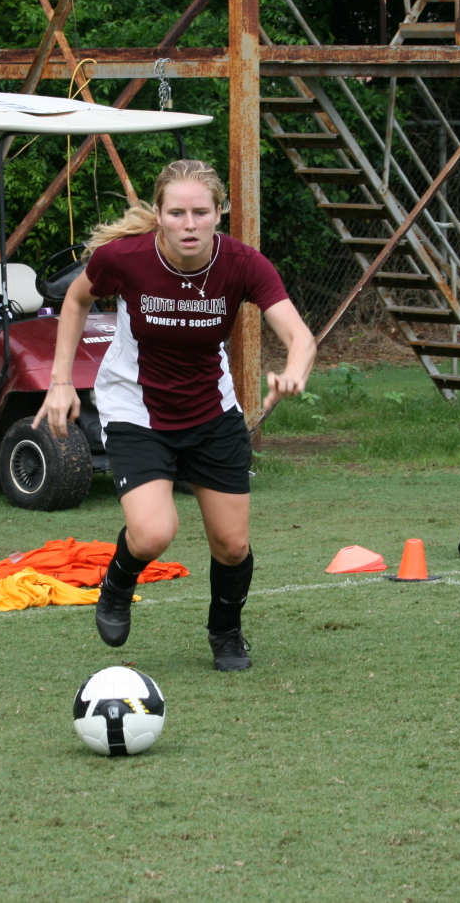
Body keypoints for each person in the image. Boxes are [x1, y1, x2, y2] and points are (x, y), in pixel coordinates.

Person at [32, 159, 316, 672]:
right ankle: (117, 583)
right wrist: (58, 382)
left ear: (218, 214)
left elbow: (300, 336)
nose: (190, 224)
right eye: (178, 212)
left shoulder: (244, 264)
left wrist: (294, 370)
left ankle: (226, 633)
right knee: (152, 534)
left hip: (211, 411)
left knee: (232, 544)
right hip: (135, 409)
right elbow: (74, 301)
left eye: (201, 212)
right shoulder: (125, 258)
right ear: (158, 215)